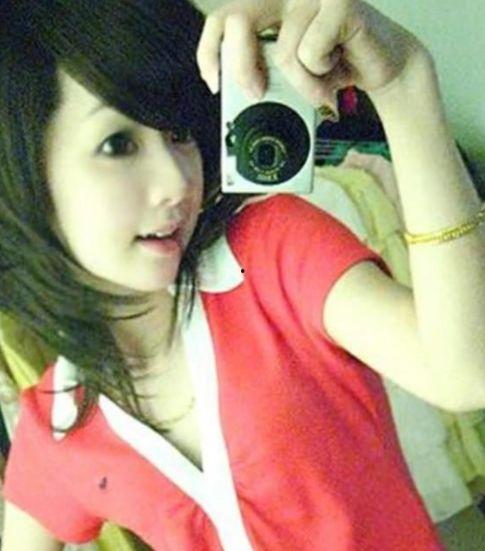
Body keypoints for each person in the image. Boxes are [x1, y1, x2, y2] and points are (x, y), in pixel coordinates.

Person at [2, 0, 485, 549]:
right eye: (118, 144)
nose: (176, 183)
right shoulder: (60, 421)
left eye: (179, 134)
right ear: (21, 174)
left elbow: (465, 372)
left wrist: (403, 83)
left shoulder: (269, 252)